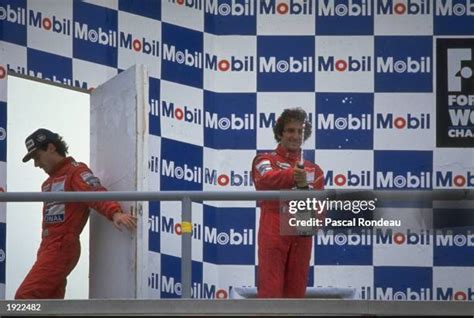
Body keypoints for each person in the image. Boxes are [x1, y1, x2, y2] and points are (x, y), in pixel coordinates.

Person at [15, 128, 137, 299]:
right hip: (47, 246)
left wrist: (115, 213)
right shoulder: (47, 183)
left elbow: (95, 192)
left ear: (51, 148)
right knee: (50, 302)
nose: (36, 164)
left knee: (24, 299)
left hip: (61, 245)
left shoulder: (75, 171)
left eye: (37, 157)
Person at [251, 108, 324, 298]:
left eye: (300, 132)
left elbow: (319, 212)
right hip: (273, 224)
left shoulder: (314, 170)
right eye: (291, 130)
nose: (296, 136)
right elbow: (265, 179)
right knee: (270, 288)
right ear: (280, 133)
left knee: (296, 292)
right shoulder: (265, 159)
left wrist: (304, 190)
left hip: (301, 227)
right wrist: (293, 176)